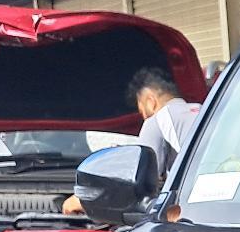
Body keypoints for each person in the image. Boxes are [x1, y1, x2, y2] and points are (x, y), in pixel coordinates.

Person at [62, 66, 201, 215]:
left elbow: (139, 181)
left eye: (140, 108)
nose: (142, 116)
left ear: (150, 101)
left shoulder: (158, 120)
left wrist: (82, 200)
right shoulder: (203, 110)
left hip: (192, 209)